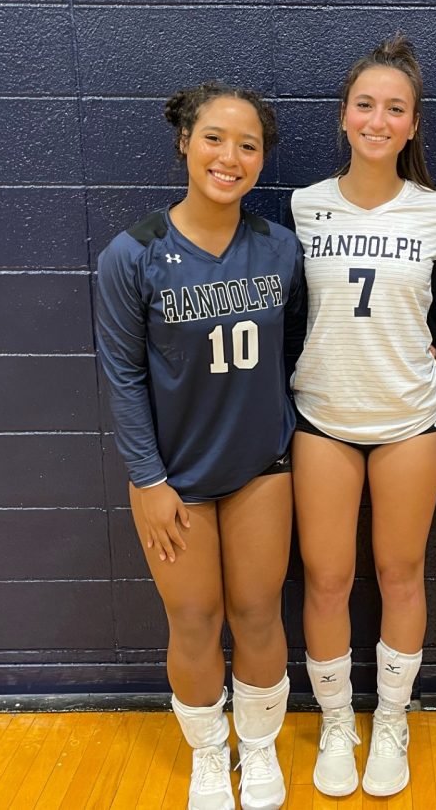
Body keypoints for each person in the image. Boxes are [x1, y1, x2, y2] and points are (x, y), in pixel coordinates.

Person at [94, 82, 304, 810]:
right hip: (172, 478)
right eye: (215, 138)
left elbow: (302, 348)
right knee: (193, 619)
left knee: (256, 614)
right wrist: (147, 479)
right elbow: (121, 375)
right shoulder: (133, 254)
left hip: (259, 469)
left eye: (248, 145)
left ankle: (260, 749)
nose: (230, 156)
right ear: (185, 141)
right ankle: (210, 755)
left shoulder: (281, 249)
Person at [289, 35, 436, 797]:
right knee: (326, 577)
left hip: (409, 417)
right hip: (322, 412)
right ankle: (335, 719)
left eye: (395, 108)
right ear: (343, 117)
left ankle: (391, 715)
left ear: (414, 124)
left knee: (400, 571)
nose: (378, 118)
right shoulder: (304, 204)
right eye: (366, 104)